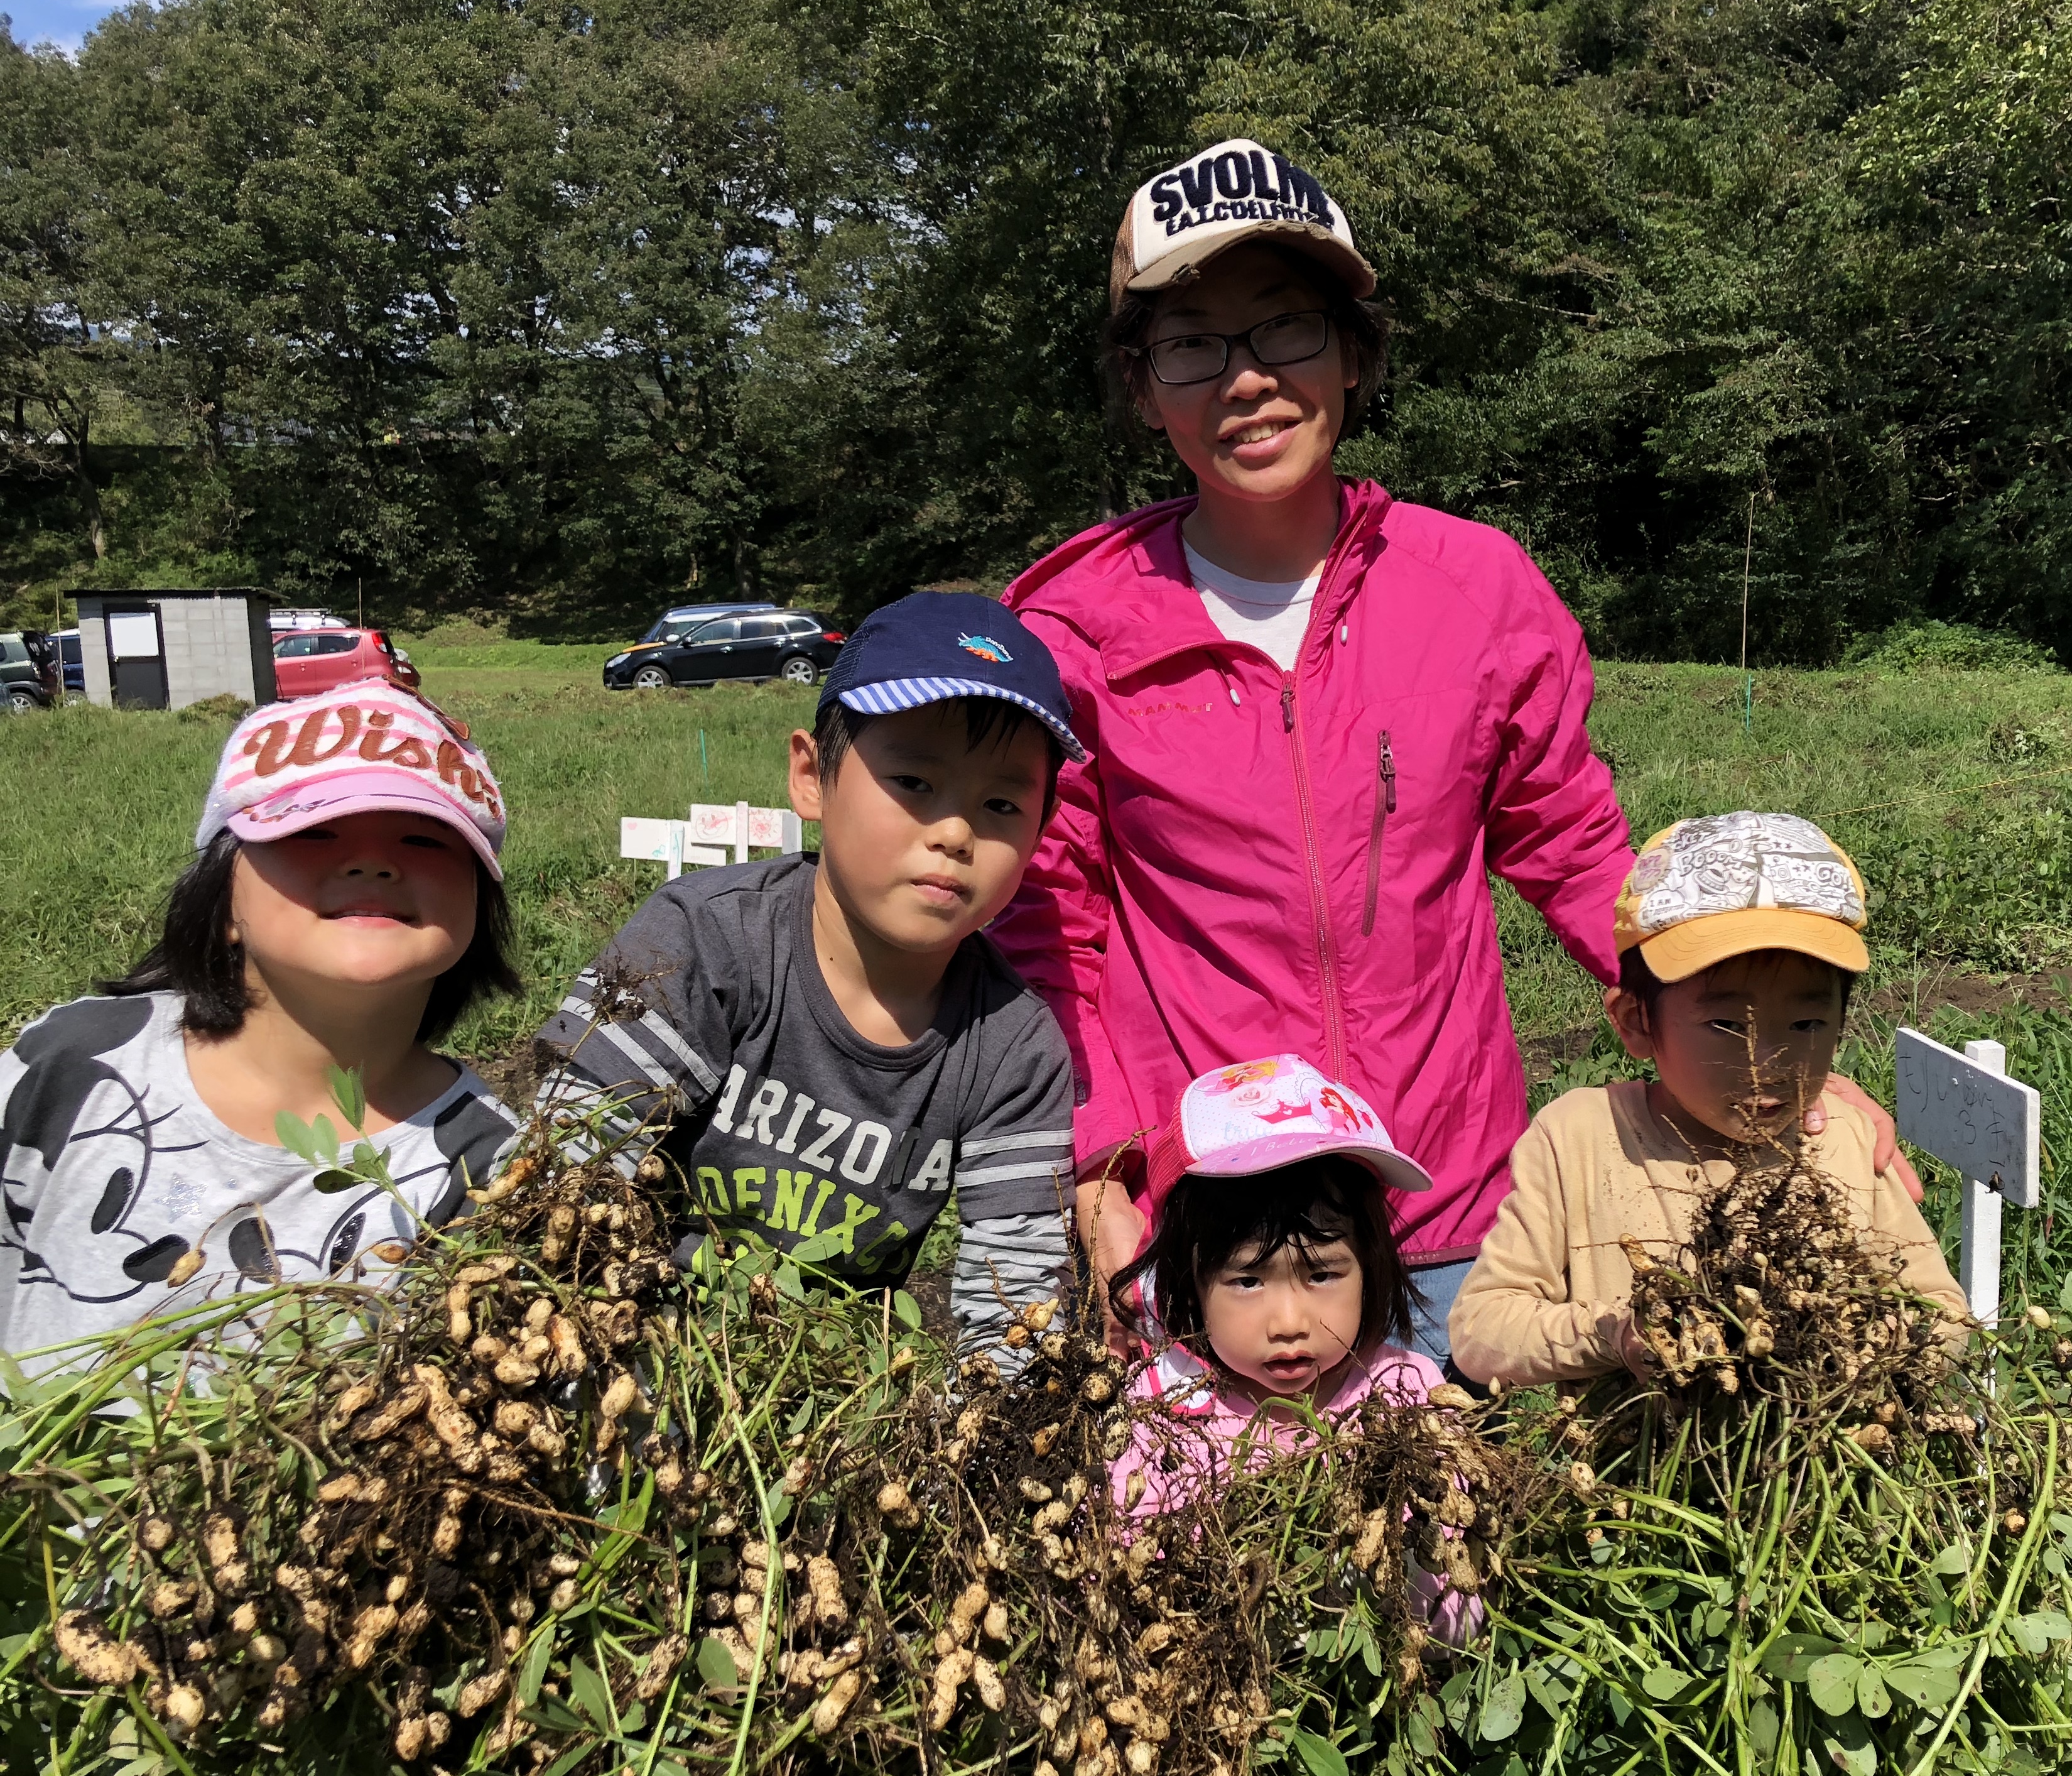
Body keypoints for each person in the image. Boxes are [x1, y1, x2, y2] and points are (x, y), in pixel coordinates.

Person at [990, 136, 1911, 1363]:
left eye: (1285, 328)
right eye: (1191, 344)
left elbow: (1578, 856)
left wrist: (1756, 1042)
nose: (1246, 378)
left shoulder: (1473, 590)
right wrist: (1100, 1163)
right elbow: (1046, 926)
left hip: (1445, 1221)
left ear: (1352, 353)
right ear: (1141, 383)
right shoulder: (1070, 628)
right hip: (1212, 1227)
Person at [534, 592, 1080, 1349]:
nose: (955, 833)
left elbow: (1014, 1302)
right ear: (810, 775)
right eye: (914, 784)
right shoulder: (705, 939)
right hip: (628, 1334)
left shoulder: (1014, 1048)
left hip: (826, 1381)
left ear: (1040, 833)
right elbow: (560, 1181)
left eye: (999, 804)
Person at [0, 681, 523, 1360]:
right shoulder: (75, 1061)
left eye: (424, 838)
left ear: (478, 907)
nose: (373, 861)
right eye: (311, 831)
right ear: (221, 900)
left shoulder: (489, 1169)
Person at [1447, 813, 1968, 1388]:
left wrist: (1846, 1335)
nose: (1767, 1061)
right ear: (1635, 1021)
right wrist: (1616, 1332)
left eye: (1805, 1023)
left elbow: (1944, 1315)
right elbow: (1480, 1332)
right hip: (1640, 1449)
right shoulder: (1580, 1137)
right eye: (1725, 1025)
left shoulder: (1842, 1138)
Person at [1103, 1054, 1477, 1645]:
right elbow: (1120, 1594)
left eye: (1322, 1274)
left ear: (1370, 1267)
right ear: (1189, 1283)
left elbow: (1460, 1599)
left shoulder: (1405, 1393)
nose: (1289, 1323)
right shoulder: (1157, 1415)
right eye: (1248, 1281)